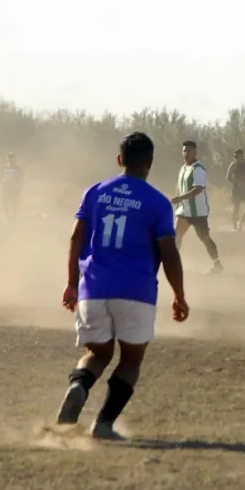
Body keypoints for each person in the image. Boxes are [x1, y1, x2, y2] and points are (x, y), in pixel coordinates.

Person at [55, 131, 189, 440]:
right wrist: (179, 295)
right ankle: (103, 424)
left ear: (119, 160)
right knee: (130, 359)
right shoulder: (157, 202)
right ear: (150, 163)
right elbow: (168, 252)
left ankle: (79, 385)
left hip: (93, 289)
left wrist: (71, 284)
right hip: (136, 292)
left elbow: (76, 237)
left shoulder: (95, 192)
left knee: (97, 354)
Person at [171, 140, 223, 274]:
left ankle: (217, 264)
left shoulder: (198, 169)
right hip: (184, 210)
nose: (186, 153)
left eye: (188, 151)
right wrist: (179, 203)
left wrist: (180, 198)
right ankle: (173, 265)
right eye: (184, 151)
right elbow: (181, 187)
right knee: (176, 237)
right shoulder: (183, 168)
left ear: (195, 153)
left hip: (198, 212)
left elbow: (197, 189)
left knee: (205, 238)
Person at [226, 148, 245, 231]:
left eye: (237, 156)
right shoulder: (234, 165)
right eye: (235, 157)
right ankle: (234, 226)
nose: (236, 158)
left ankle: (240, 222)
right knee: (236, 207)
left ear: (242, 156)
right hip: (237, 189)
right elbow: (228, 176)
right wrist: (236, 181)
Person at [0, 152, 24, 222]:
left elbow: (22, 178)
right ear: (8, 160)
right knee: (5, 205)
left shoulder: (18, 169)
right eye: (11, 159)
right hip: (6, 189)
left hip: (15, 189)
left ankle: (13, 220)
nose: (13, 161)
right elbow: (1, 177)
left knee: (15, 206)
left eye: (14, 159)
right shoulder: (4, 168)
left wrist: (19, 185)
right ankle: (10, 220)